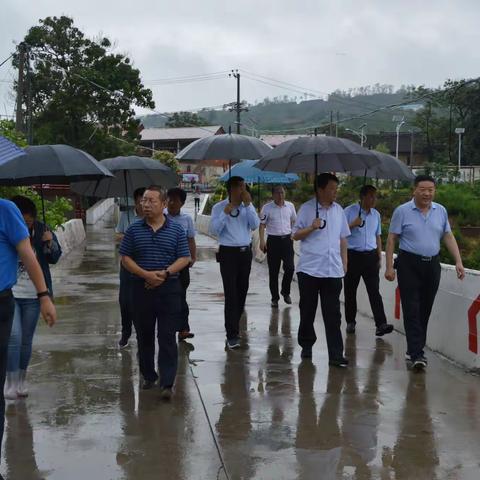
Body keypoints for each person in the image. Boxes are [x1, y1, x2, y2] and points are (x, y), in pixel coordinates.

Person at [385, 175, 465, 370]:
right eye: (423, 189)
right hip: (408, 263)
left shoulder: (441, 211)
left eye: (431, 189)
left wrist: (458, 261)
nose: (427, 193)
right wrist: (388, 267)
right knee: (411, 308)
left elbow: (447, 235)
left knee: (425, 310)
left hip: (432, 265)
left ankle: (415, 348)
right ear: (415, 190)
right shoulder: (402, 211)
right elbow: (391, 239)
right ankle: (417, 354)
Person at [0, 198, 56, 475]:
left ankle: (17, 378)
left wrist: (44, 295)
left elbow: (39, 256)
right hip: (12, 297)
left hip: (16, 299)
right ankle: (11, 381)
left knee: (21, 342)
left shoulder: (8, 213)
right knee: (14, 340)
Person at [119, 186, 190, 400]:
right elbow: (125, 258)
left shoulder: (176, 230)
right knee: (145, 335)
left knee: (167, 336)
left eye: (151, 201)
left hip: (169, 289)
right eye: (144, 201)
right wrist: (145, 275)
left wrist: (165, 274)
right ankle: (149, 375)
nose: (145, 205)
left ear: (163, 204)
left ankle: (167, 383)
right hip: (140, 288)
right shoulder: (134, 229)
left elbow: (184, 258)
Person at [5, 196, 61, 400]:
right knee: (14, 337)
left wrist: (50, 242)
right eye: (22, 219)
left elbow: (54, 258)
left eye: (28, 220)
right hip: (10, 293)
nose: (25, 224)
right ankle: (10, 382)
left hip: (33, 295)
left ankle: (21, 379)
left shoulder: (41, 229)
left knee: (26, 341)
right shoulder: (7, 228)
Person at [292, 173, 350, 367]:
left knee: (333, 315)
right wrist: (311, 227)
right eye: (332, 189)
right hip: (309, 269)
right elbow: (295, 235)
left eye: (336, 189)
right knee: (307, 310)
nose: (335, 192)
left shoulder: (338, 210)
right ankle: (306, 344)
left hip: (333, 270)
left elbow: (343, 238)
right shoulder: (307, 209)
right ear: (320, 189)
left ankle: (336, 355)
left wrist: (345, 262)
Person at [210, 176, 260, 349]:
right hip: (228, 253)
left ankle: (234, 324)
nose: (243, 190)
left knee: (242, 291)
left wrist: (250, 205)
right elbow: (214, 230)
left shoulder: (248, 208)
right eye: (239, 187)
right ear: (231, 189)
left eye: (244, 186)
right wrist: (225, 213)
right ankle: (231, 333)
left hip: (244, 253)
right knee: (230, 293)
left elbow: (254, 225)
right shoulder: (219, 207)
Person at [343, 185, 393, 336]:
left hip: (370, 257)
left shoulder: (376, 215)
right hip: (353, 255)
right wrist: (353, 224)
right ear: (363, 197)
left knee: (374, 291)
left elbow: (377, 236)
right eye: (371, 196)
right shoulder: (349, 211)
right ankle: (350, 321)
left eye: (375, 196)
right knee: (350, 291)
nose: (374, 199)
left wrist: (379, 256)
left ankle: (381, 324)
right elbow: (340, 232)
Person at [165, 187, 197, 341]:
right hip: (164, 263)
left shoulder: (187, 219)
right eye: (169, 199)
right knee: (165, 297)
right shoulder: (160, 217)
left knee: (181, 296)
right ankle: (168, 327)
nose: (171, 203)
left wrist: (193, 257)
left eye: (175, 200)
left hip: (182, 263)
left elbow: (190, 239)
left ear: (182, 203)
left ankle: (183, 329)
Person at [116, 187, 145, 349]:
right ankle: (125, 331)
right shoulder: (126, 216)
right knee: (125, 301)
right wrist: (129, 236)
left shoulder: (152, 218)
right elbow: (117, 235)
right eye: (141, 200)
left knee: (142, 302)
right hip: (127, 265)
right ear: (135, 201)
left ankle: (142, 333)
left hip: (145, 265)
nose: (143, 204)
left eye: (146, 200)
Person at [259, 185, 297, 308]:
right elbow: (262, 225)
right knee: (273, 272)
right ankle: (274, 298)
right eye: (278, 193)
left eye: (282, 192)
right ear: (273, 195)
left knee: (290, 268)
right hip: (273, 241)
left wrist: (293, 234)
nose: (280, 195)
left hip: (287, 240)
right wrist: (261, 241)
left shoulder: (290, 206)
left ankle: (285, 292)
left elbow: (294, 221)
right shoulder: (267, 208)